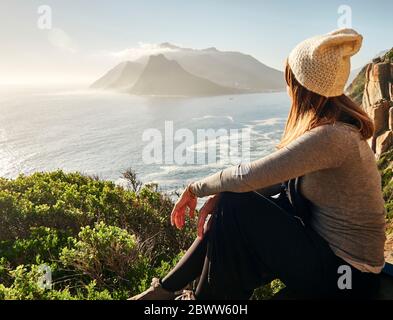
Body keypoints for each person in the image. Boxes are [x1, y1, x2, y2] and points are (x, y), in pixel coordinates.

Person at [129, 28, 386, 300]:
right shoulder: (329, 131)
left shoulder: (331, 137)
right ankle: (167, 291)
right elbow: (274, 181)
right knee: (231, 200)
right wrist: (225, 194)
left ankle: (179, 296)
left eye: (289, 79)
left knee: (234, 202)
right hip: (328, 258)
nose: (287, 88)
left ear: (299, 85)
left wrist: (195, 189)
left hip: (347, 276)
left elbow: (248, 177)